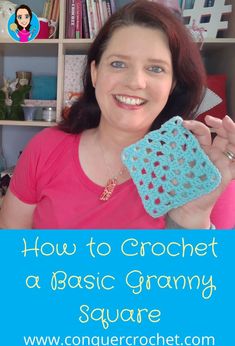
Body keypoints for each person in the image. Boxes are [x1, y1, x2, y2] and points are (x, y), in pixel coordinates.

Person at [0, 0, 234, 229]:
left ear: (173, 84)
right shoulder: (45, 148)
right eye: (118, 64)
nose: (134, 82)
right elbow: (11, 256)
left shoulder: (201, 172)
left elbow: (198, 268)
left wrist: (191, 217)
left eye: (155, 68)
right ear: (95, 73)